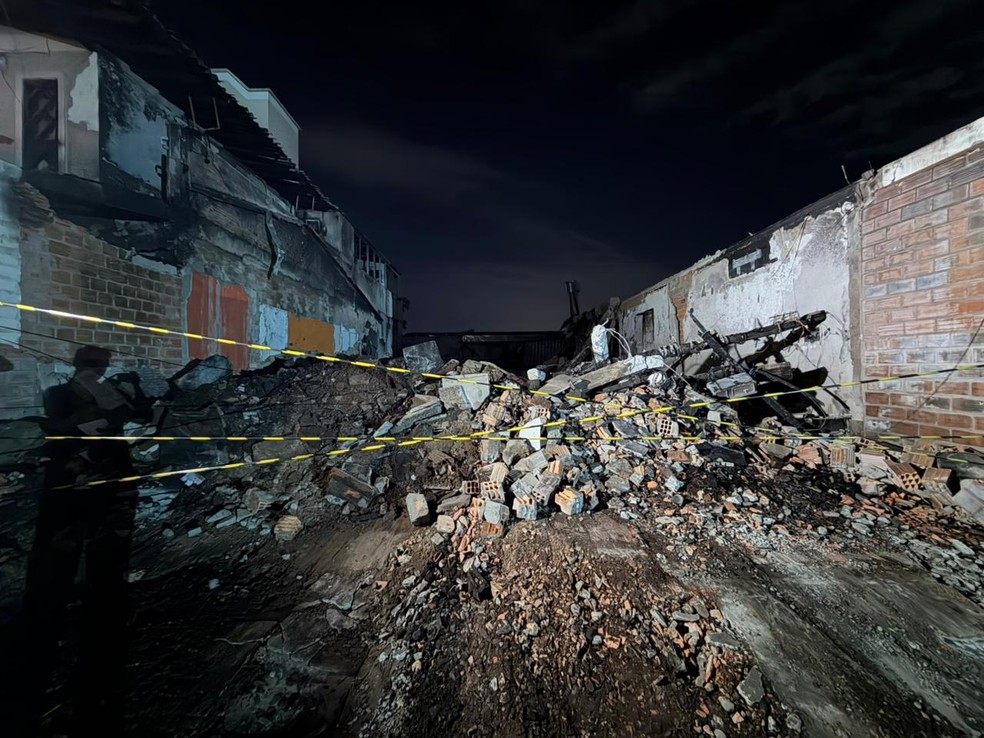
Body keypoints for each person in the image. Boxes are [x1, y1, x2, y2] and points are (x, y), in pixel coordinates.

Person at [14, 346, 151, 737]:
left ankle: (77, 614)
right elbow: (87, 425)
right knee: (86, 554)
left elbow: (130, 415)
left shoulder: (76, 392)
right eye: (98, 367)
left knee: (88, 555)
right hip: (85, 476)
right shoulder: (66, 394)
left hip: (94, 476)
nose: (99, 372)